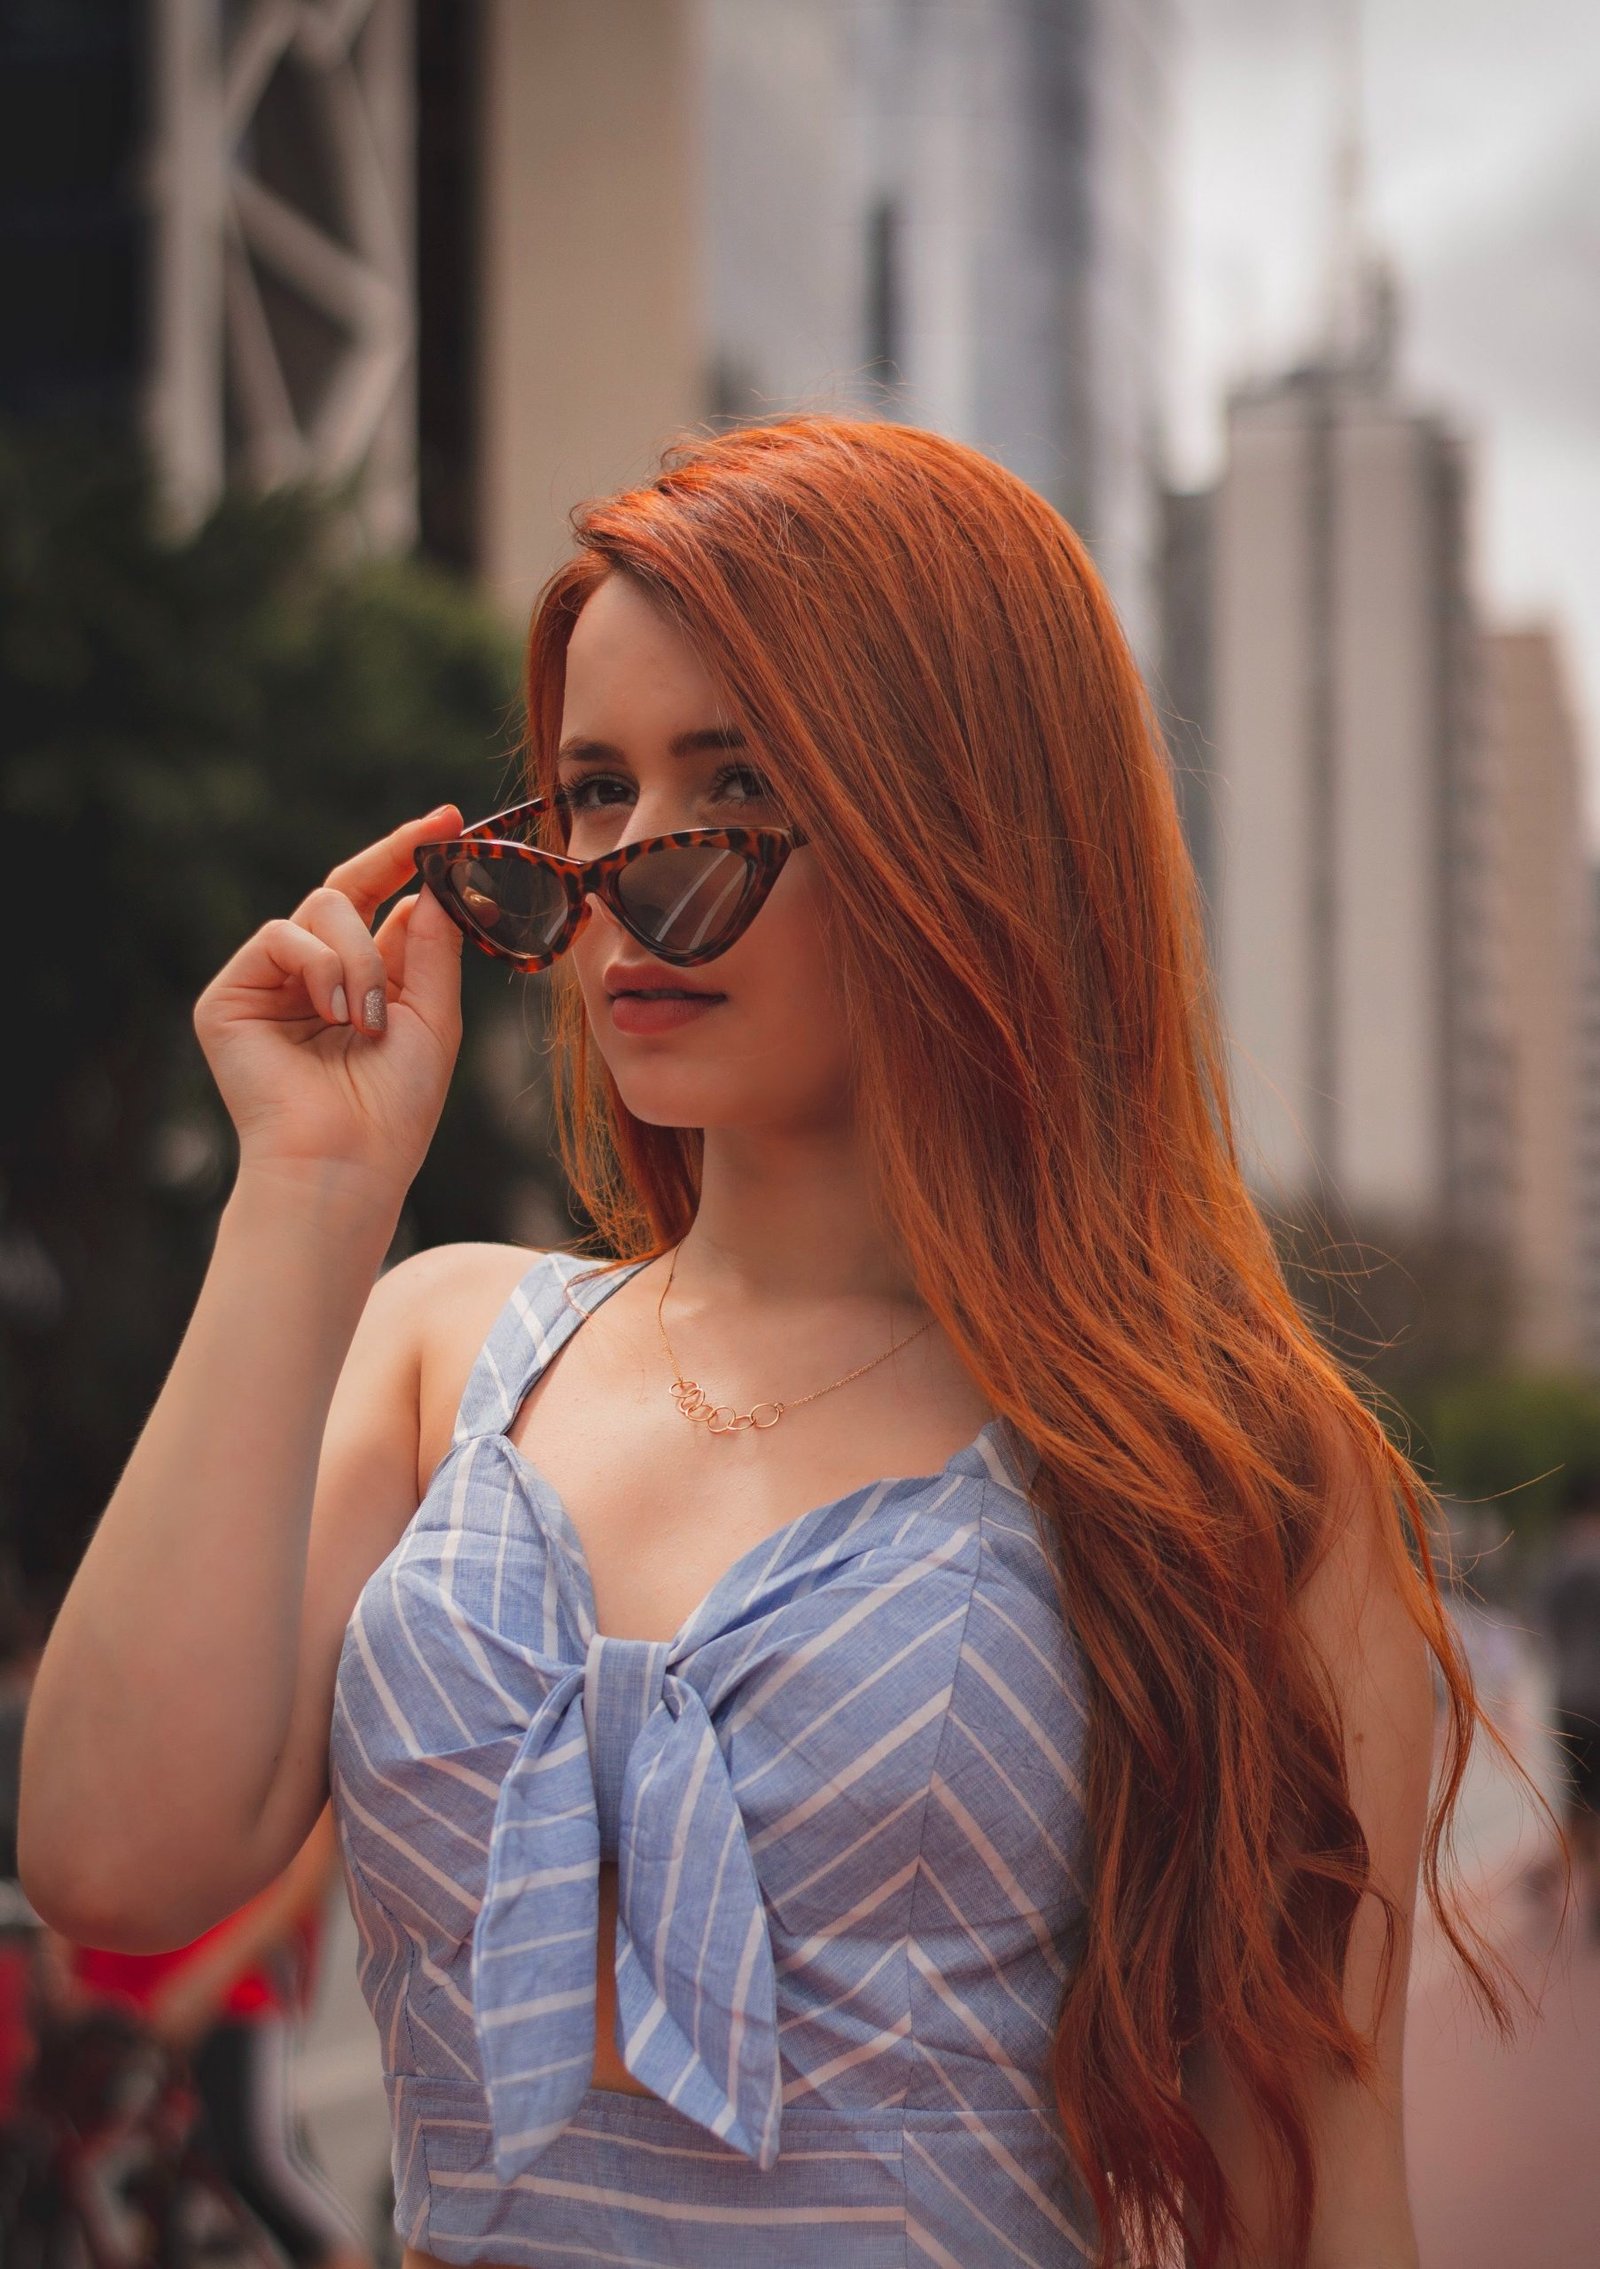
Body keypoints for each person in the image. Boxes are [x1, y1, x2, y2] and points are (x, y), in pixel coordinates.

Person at [14, 415, 1538, 2269]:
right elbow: (105, 1854)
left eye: (729, 787)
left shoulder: (1220, 1471)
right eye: (591, 794)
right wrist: (310, 1191)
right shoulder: (444, 1341)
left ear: (957, 816)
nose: (634, 875)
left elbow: (1311, 2203)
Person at [64, 1805, 372, 2269]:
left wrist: (209, 1979)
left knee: (264, 2173)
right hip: (112, 1988)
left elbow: (309, 1867)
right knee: (100, 2191)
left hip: (228, 1991)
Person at [1534, 1496, 1600, 1936]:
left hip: (1568, 1696)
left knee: (1579, 1799)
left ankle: (1552, 1871)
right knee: (1592, 1801)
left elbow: (1542, 1628)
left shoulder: (1560, 1562)